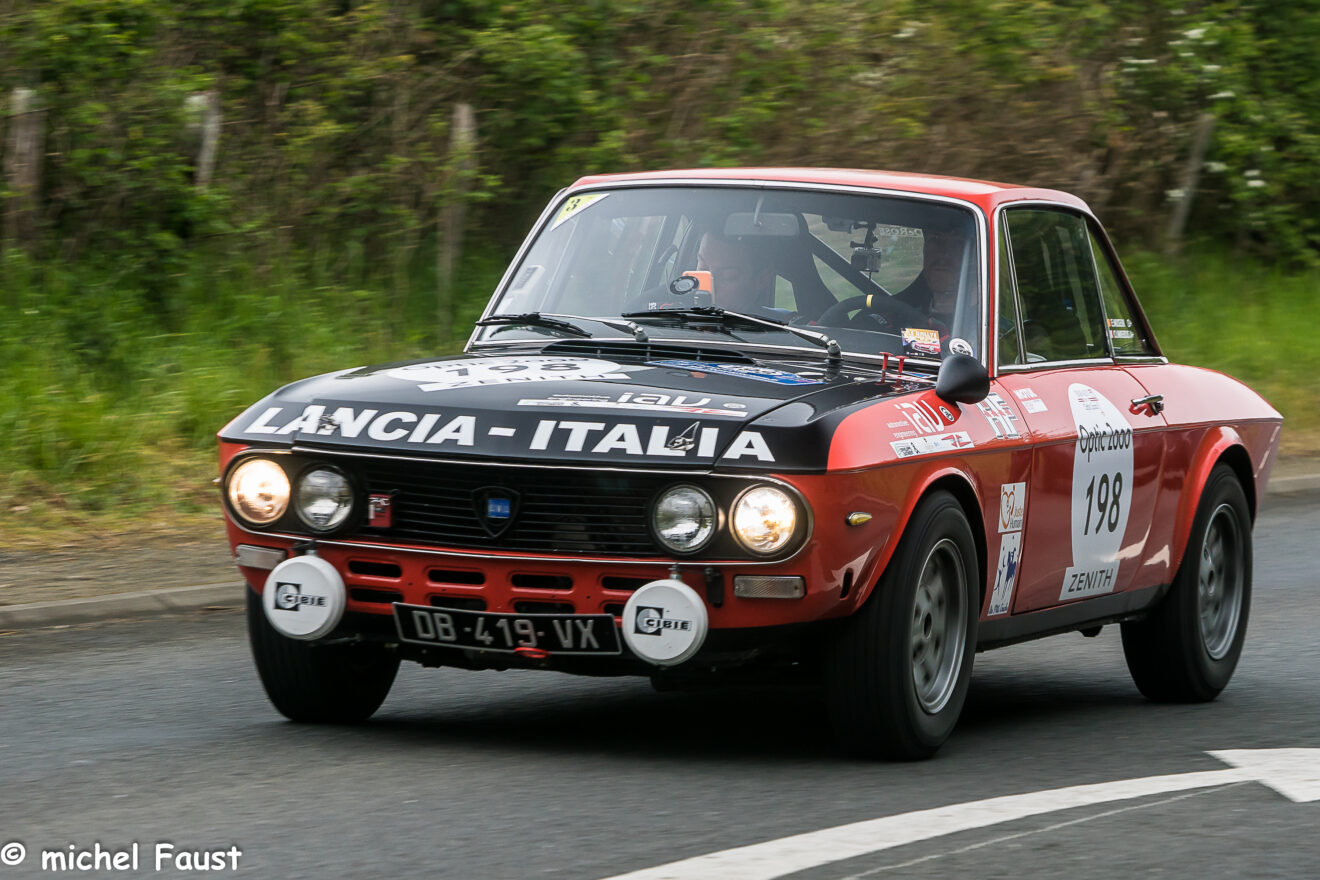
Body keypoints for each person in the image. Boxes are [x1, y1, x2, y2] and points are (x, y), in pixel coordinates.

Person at [894, 225, 966, 328]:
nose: (943, 255)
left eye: (957, 244)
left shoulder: (986, 319)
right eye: (934, 240)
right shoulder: (901, 314)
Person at [695, 231, 777, 313]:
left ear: (762, 280)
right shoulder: (684, 316)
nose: (709, 287)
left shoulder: (781, 324)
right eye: (702, 268)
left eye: (727, 275)